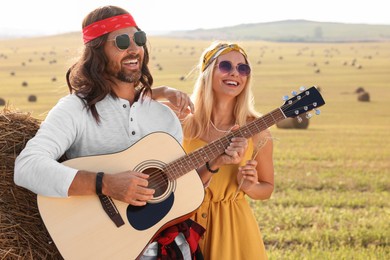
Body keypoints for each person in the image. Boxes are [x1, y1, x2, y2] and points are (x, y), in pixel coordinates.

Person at [13, 6, 248, 260]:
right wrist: (105, 183)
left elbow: (178, 193)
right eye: (122, 42)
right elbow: (27, 166)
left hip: (169, 249)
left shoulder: (164, 117)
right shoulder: (75, 109)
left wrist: (213, 164)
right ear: (97, 50)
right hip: (105, 249)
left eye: (139, 39)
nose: (134, 48)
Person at [181, 41, 275, 259]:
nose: (235, 73)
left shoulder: (257, 129)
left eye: (243, 69)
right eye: (225, 66)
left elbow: (267, 188)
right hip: (181, 223)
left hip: (232, 232)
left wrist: (251, 186)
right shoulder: (180, 123)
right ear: (208, 72)